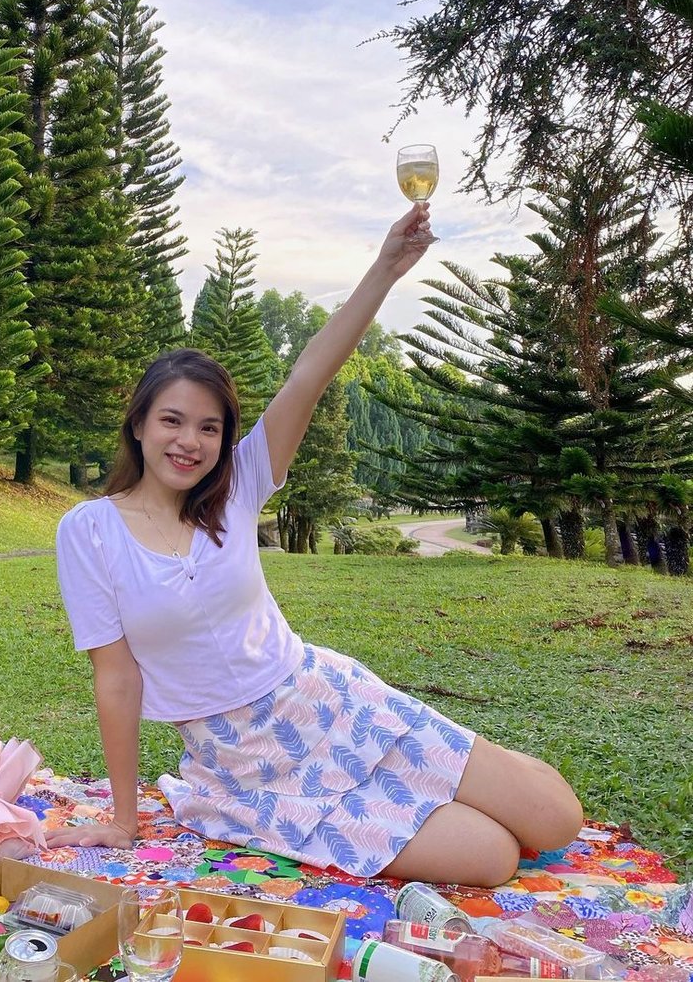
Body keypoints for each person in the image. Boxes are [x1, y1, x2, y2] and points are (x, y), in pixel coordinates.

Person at [47, 204, 583, 885]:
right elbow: (117, 679)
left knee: (557, 819)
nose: (190, 442)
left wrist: (386, 268)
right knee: (493, 857)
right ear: (139, 425)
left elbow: (308, 375)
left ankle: (472, 767)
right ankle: (437, 789)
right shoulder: (89, 531)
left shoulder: (238, 485)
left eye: (209, 428)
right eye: (172, 421)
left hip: (328, 700)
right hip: (246, 768)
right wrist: (123, 820)